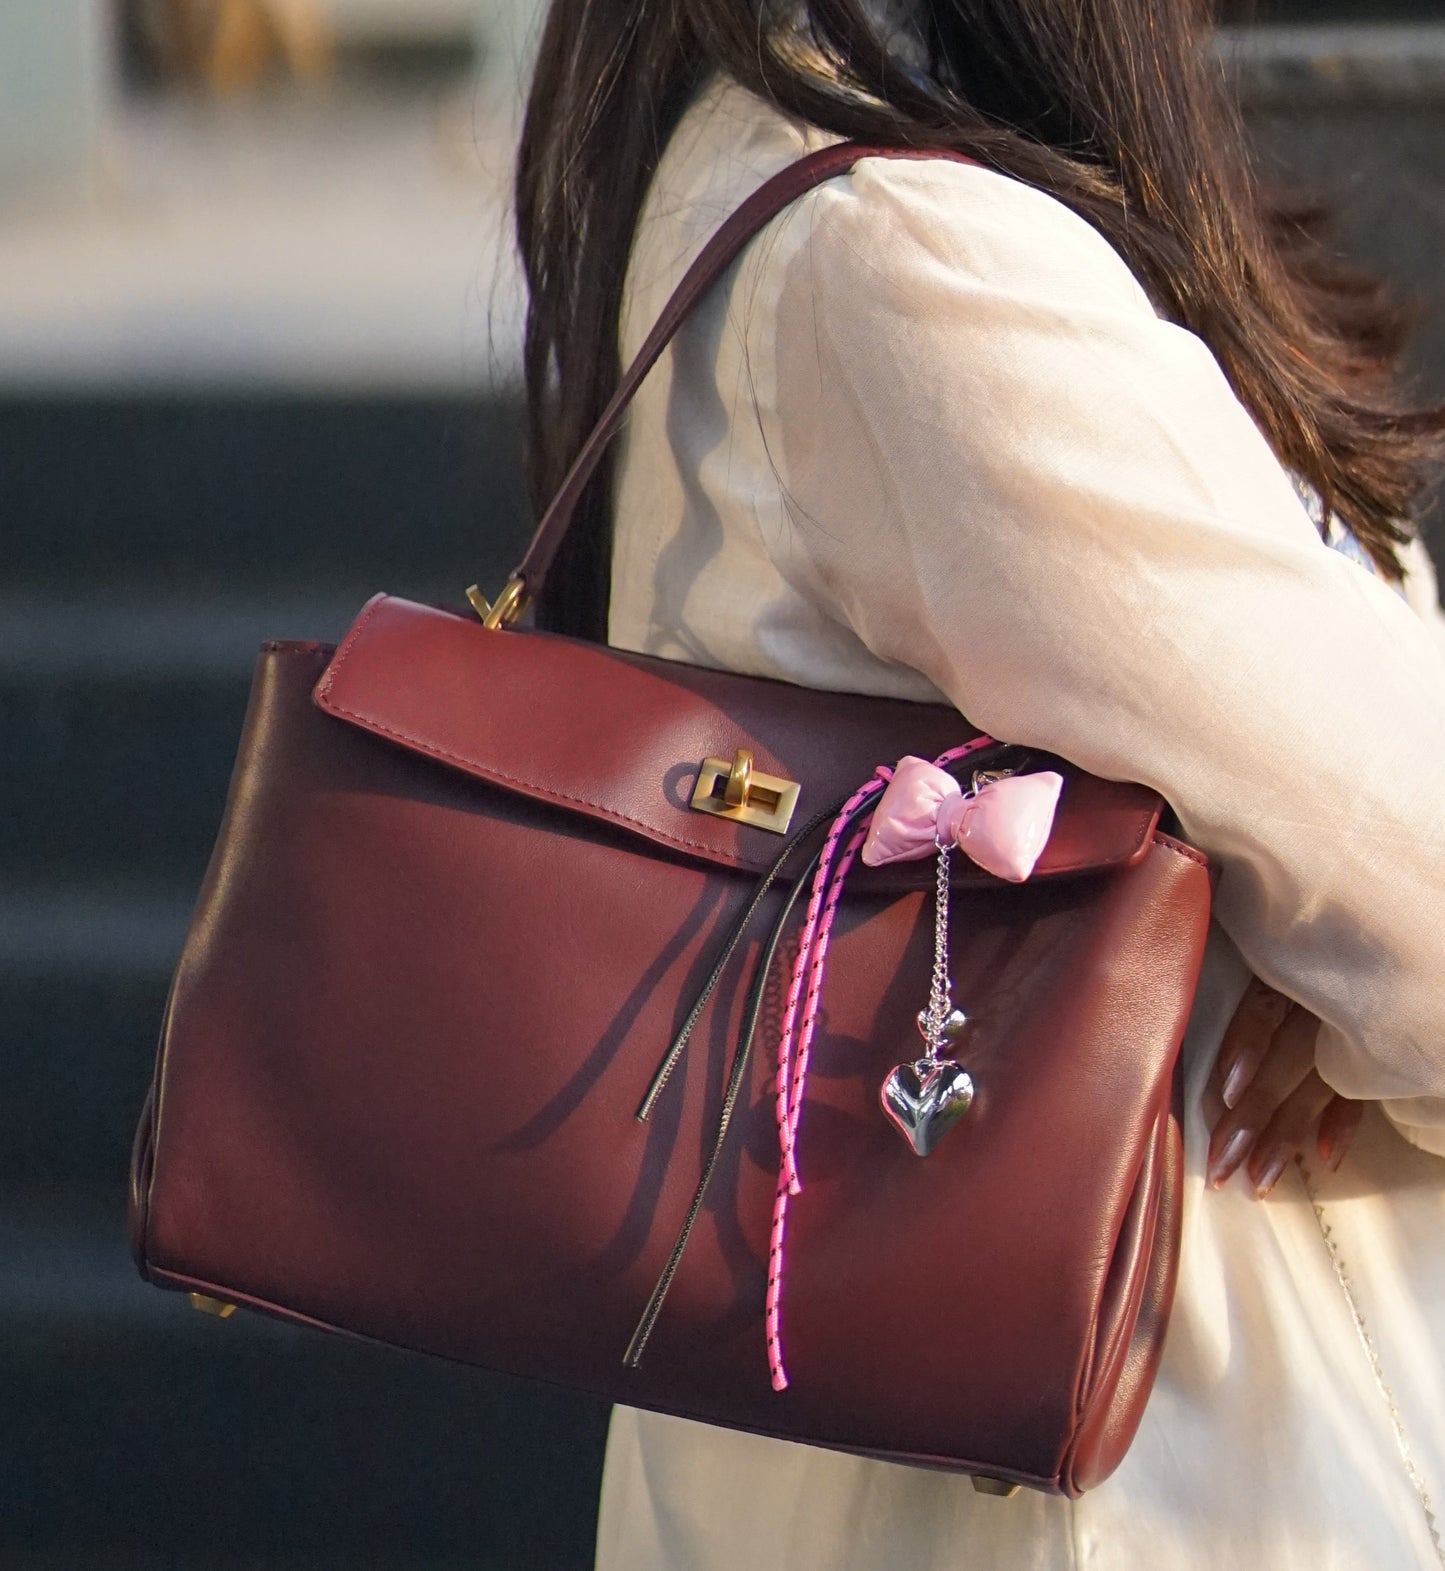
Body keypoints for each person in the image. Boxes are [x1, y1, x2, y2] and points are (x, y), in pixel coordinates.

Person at [513, 2, 1445, 1566]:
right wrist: (1349, 949)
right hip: (1164, 1451)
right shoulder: (913, 252)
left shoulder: (776, 155)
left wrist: (1344, 924)